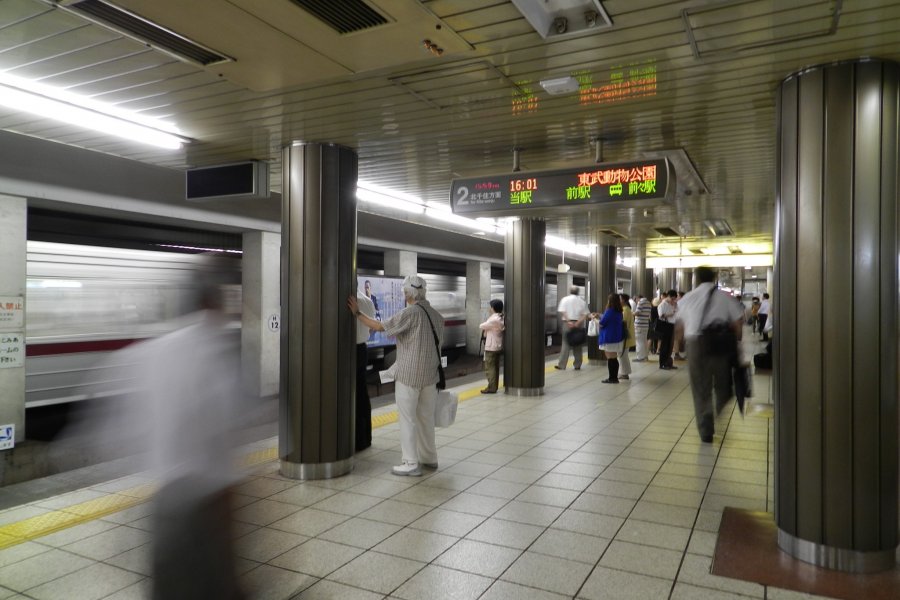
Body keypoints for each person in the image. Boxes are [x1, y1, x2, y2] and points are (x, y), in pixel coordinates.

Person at [125, 278, 246, 600]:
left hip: (164, 494)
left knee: (169, 584)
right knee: (217, 582)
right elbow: (223, 426)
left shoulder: (150, 351)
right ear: (213, 306)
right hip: (206, 496)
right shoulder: (212, 353)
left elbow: (124, 427)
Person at [348, 275, 442, 476]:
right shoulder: (436, 315)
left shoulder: (411, 313)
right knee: (426, 418)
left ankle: (410, 463)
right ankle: (430, 458)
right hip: (430, 376)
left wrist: (357, 313)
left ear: (408, 294)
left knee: (408, 419)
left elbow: (380, 327)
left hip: (409, 376)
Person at [675, 266, 744, 443]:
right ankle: (720, 405)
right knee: (722, 383)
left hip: (696, 345)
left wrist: (679, 345)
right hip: (720, 344)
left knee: (700, 388)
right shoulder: (725, 297)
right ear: (714, 278)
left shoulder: (687, 298)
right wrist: (737, 342)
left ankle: (706, 430)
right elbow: (737, 323)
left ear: (696, 278)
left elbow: (680, 327)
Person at [354, 289, 376, 451]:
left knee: (349, 395)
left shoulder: (351, 300)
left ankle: (354, 438)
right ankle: (365, 438)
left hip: (348, 351)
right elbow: (373, 327)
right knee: (362, 393)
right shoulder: (367, 300)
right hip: (362, 349)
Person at [555, 285, 589, 371]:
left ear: (570, 291)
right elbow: (585, 314)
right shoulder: (582, 301)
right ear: (578, 292)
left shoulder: (565, 299)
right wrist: (577, 323)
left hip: (567, 324)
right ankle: (577, 365)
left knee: (565, 343)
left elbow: (563, 311)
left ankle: (562, 365)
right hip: (579, 324)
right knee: (578, 344)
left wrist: (568, 321)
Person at [597, 294, 625, 383]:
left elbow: (602, 323)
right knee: (614, 358)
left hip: (609, 338)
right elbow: (609, 319)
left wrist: (594, 319)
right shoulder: (619, 311)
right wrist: (600, 315)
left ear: (610, 301)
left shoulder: (609, 311)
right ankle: (614, 377)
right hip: (616, 337)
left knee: (610, 358)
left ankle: (612, 378)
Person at [478, 299, 504, 394]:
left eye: (490, 306)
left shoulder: (494, 319)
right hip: (497, 346)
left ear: (493, 308)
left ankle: (491, 388)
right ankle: (493, 386)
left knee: (490, 367)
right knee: (495, 367)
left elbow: (482, 326)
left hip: (491, 347)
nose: (489, 308)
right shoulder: (500, 317)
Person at [656, 290, 678, 370]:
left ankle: (668, 362)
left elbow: (677, 312)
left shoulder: (673, 304)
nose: (673, 300)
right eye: (672, 299)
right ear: (668, 296)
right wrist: (671, 314)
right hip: (665, 325)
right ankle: (662, 364)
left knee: (670, 346)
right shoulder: (662, 304)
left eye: (674, 299)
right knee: (664, 346)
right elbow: (661, 315)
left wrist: (675, 306)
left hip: (672, 325)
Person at [619, 293, 635, 380]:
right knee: (623, 355)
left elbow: (623, 322)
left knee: (622, 355)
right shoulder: (626, 309)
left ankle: (624, 373)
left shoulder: (625, 310)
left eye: (620, 299)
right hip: (627, 336)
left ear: (624, 300)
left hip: (625, 336)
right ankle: (625, 372)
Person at [633, 295, 651, 361]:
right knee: (644, 341)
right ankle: (645, 356)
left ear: (637, 298)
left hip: (639, 325)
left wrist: (632, 313)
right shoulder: (648, 303)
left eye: (635, 300)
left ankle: (640, 357)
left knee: (639, 342)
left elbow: (637, 313)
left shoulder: (640, 302)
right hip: (645, 325)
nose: (636, 302)